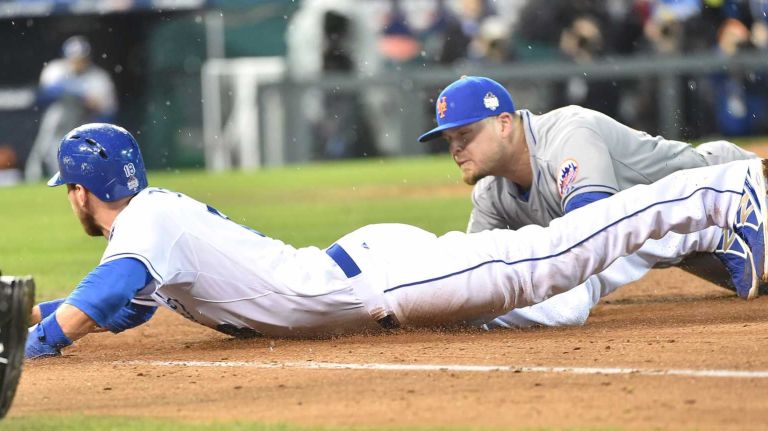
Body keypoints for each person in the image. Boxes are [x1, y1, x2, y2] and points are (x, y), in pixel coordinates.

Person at [25, 123, 768, 358]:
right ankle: (706, 227)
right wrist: (29, 315)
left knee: (555, 254)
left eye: (71, 193)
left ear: (82, 191)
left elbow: (108, 295)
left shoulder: (146, 225)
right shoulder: (151, 222)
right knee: (564, 297)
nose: (72, 204)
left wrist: (40, 343)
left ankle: (728, 188)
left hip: (387, 277)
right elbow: (125, 306)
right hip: (381, 283)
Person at [418, 76, 759, 328]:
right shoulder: (491, 192)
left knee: (591, 238)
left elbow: (594, 231)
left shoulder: (568, 134)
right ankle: (709, 239)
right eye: (449, 139)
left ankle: (712, 235)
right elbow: (478, 272)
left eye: (465, 135)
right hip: (687, 245)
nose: (456, 149)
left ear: (504, 123)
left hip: (734, 193)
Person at [24, 36, 117, 182]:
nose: (77, 62)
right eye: (74, 58)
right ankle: (33, 178)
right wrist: (80, 94)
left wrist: (92, 104)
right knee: (45, 150)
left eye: (81, 58)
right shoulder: (56, 69)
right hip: (58, 122)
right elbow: (44, 95)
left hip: (84, 122)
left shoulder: (99, 77)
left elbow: (108, 112)